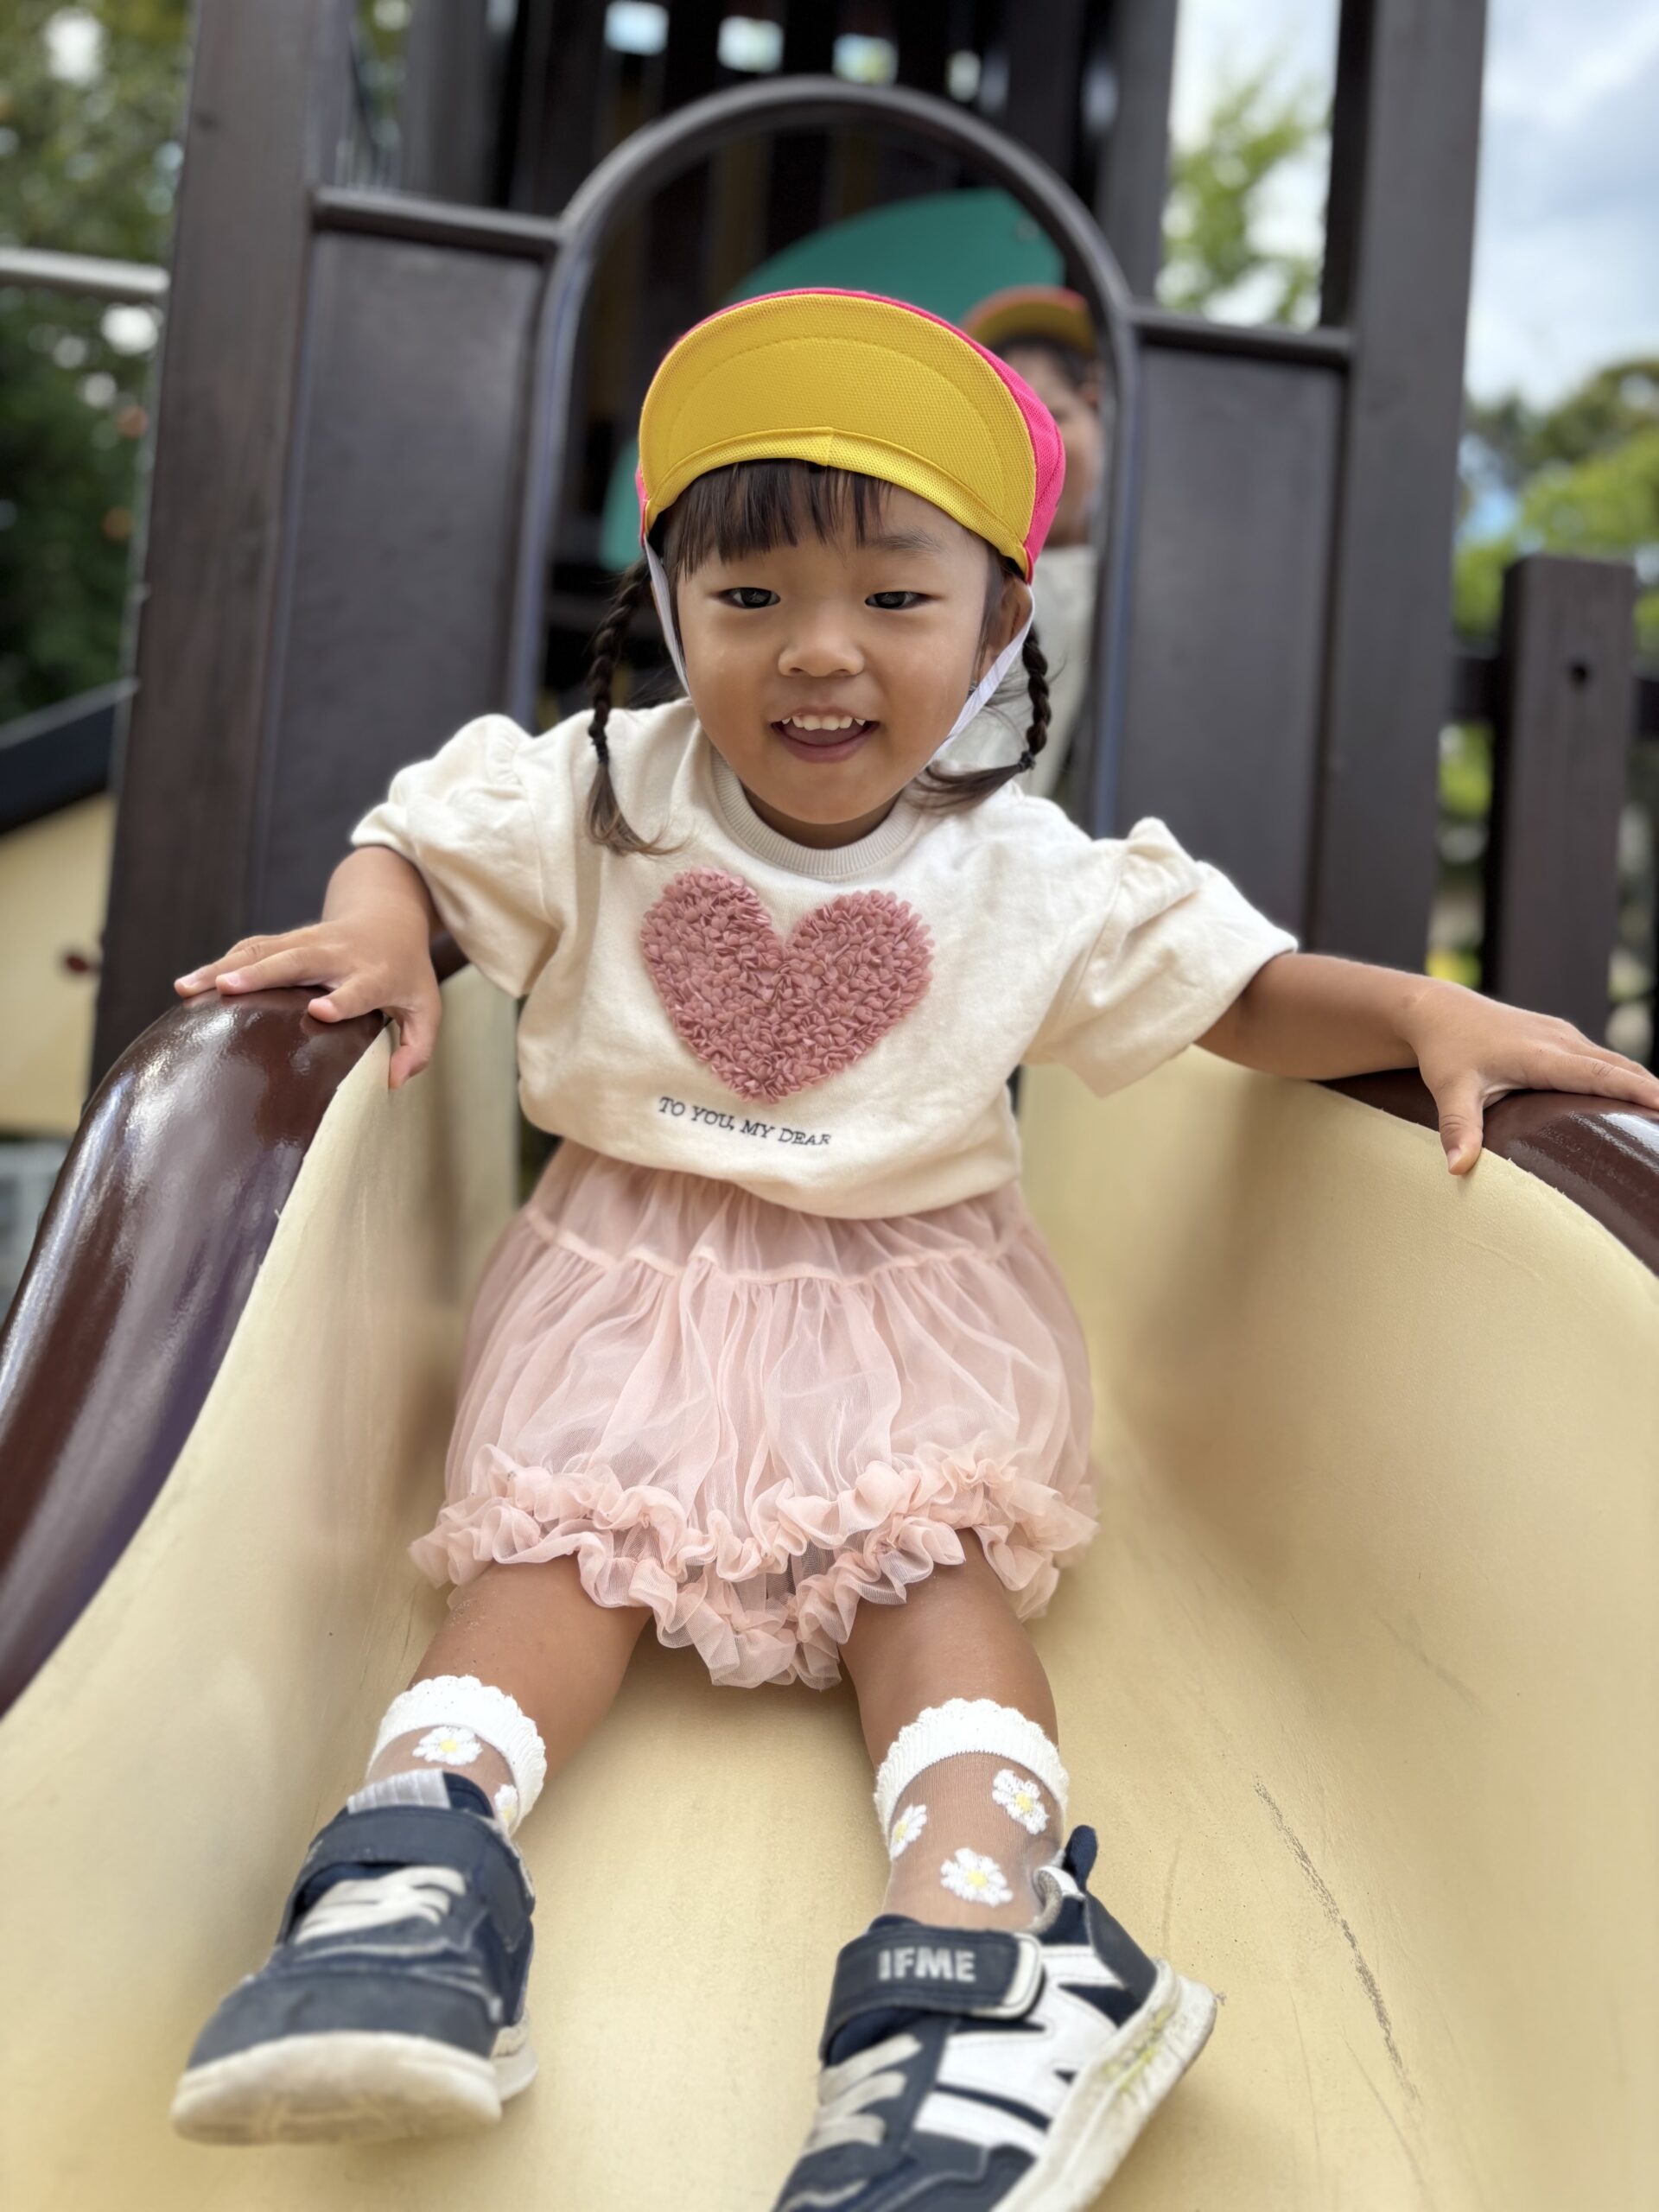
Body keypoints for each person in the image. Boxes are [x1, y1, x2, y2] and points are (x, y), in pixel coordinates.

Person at [166, 289, 1659, 2203]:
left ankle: (992, 1937)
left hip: (908, 1307)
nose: (820, 649)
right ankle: (414, 1864)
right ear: (672, 604)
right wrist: (379, 932)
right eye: (750, 595)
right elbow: (420, 845)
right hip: (632, 1286)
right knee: (552, 1559)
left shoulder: (1024, 872)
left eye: (892, 596)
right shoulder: (603, 795)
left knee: (932, 1586)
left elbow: (1235, 990)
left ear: (998, 620)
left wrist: (1423, 1013)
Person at [949, 284, 1109, 804]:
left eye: (1055, 414)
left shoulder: (1120, 584)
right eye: (1009, 422)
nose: (1035, 445)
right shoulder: (956, 578)